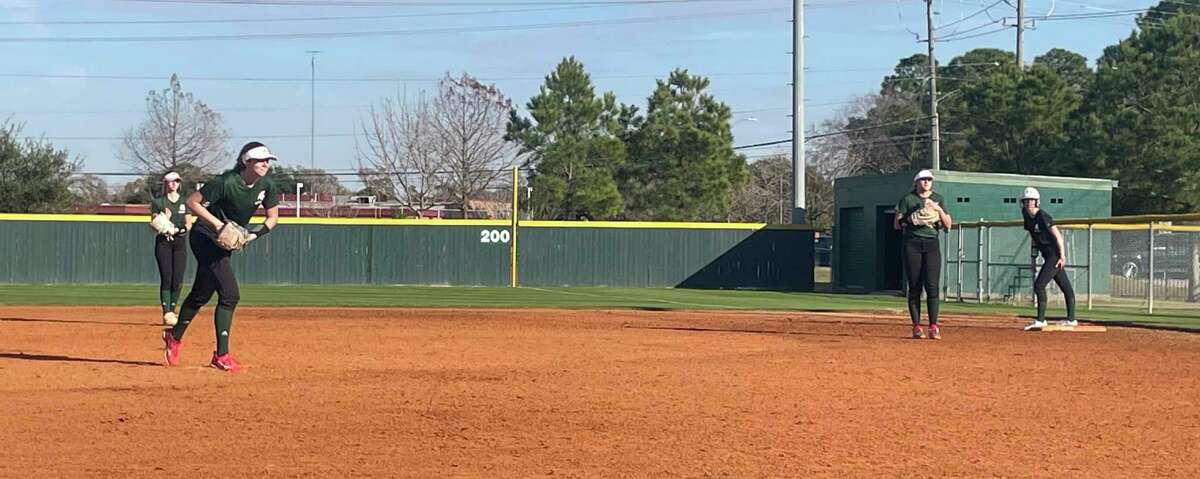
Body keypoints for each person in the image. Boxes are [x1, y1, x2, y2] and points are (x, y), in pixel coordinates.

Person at [162, 142, 281, 371]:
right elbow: (192, 202)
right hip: (205, 236)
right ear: (247, 161)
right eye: (260, 160)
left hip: (226, 240)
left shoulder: (266, 185)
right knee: (230, 294)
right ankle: (221, 355)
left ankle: (173, 336)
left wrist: (251, 236)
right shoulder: (226, 182)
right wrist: (218, 225)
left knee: (201, 293)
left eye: (268, 160)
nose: (266, 164)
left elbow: (272, 218)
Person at [894, 169, 953, 340]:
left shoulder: (939, 198)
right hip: (912, 243)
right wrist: (910, 219)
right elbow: (896, 225)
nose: (926, 182)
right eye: (923, 179)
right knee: (915, 286)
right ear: (916, 182)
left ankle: (933, 326)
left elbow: (948, 224)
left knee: (932, 286)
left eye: (929, 179)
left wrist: (937, 209)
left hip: (931, 244)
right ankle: (916, 326)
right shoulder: (908, 199)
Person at [1020, 187, 1077, 331]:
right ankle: (1071, 320)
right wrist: (1033, 257)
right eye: (1026, 201)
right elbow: (1033, 238)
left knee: (1039, 285)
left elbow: (1058, 236)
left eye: (1031, 201)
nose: (1029, 204)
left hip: (1054, 256)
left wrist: (1062, 256)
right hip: (1047, 256)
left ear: (1037, 202)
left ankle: (1040, 320)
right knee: (1066, 288)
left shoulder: (1043, 216)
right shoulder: (1026, 216)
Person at [150, 172, 192, 326]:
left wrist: (179, 230)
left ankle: (173, 310)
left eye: (176, 181)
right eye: (170, 181)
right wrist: (164, 220)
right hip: (163, 242)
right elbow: (153, 225)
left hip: (179, 242)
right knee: (167, 277)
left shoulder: (184, 202)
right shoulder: (159, 202)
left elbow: (188, 223)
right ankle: (166, 312)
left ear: (179, 183)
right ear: (165, 184)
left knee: (178, 278)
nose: (173, 184)